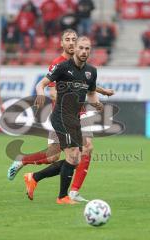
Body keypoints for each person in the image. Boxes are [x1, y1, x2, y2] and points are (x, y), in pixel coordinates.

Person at [7, 29, 114, 202]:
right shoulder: (59, 64)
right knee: (54, 156)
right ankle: (29, 169)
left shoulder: (86, 67)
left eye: (74, 39)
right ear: (62, 43)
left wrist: (101, 93)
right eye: (68, 40)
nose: (71, 43)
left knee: (83, 151)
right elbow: (52, 90)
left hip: (80, 113)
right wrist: (51, 93)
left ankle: (71, 192)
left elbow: (86, 83)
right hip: (62, 114)